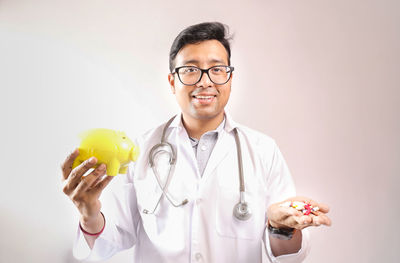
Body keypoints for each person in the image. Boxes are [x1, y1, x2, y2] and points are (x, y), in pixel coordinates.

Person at [61, 22, 331, 263]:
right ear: (172, 81)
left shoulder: (263, 150)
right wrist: (89, 211)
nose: (205, 82)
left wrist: (279, 227)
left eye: (217, 69)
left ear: (230, 78)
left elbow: (288, 257)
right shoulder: (142, 149)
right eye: (190, 70)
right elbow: (110, 242)